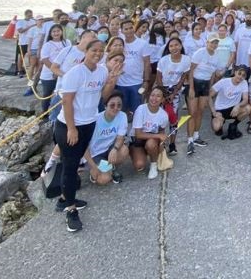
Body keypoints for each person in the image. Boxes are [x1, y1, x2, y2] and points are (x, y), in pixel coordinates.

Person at [55, 39, 121, 232]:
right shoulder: (75, 73)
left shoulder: (102, 71)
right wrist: (71, 128)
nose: (98, 53)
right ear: (86, 50)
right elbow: (67, 102)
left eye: (101, 51)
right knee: (70, 165)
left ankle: (63, 199)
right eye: (94, 50)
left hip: (88, 123)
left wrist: (112, 80)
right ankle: (71, 211)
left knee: (74, 161)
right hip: (69, 125)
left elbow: (103, 95)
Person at [186, 33, 221, 154]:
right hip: (195, 83)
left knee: (200, 111)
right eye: (212, 42)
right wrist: (191, 88)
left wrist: (210, 88)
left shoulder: (217, 56)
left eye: (216, 43)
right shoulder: (200, 53)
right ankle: (189, 140)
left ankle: (196, 136)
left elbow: (212, 74)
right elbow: (191, 70)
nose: (214, 45)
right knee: (192, 113)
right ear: (207, 42)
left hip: (205, 85)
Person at [155, 36, 191, 156]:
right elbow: (158, 77)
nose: (174, 47)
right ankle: (161, 143)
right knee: (161, 117)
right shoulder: (164, 60)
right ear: (168, 48)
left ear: (181, 46)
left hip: (175, 90)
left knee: (173, 118)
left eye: (176, 45)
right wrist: (164, 95)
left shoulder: (186, 60)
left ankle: (172, 144)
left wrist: (174, 93)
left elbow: (182, 78)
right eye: (171, 46)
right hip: (162, 90)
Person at [85, 89, 127, 185]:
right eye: (112, 105)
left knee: (124, 150)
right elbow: (84, 147)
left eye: (119, 105)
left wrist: (115, 149)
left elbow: (120, 137)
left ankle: (110, 167)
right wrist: (93, 166)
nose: (116, 108)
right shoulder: (95, 120)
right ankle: (99, 171)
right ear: (105, 106)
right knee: (104, 179)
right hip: (95, 155)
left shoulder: (122, 116)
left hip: (108, 150)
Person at [130, 87, 169, 180]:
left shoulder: (163, 115)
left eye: (158, 96)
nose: (154, 98)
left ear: (163, 100)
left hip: (152, 141)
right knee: (139, 165)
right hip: (138, 140)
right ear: (149, 96)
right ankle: (134, 152)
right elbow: (138, 134)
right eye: (152, 95)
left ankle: (153, 165)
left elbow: (161, 131)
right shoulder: (141, 109)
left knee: (151, 144)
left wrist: (162, 144)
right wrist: (159, 135)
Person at [209, 65, 251, 140]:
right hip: (220, 109)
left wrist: (238, 105)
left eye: (243, 75)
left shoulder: (244, 83)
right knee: (216, 127)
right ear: (235, 72)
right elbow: (209, 96)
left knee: (248, 108)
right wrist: (213, 112)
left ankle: (233, 125)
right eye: (239, 73)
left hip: (233, 109)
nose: (240, 76)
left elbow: (245, 99)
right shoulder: (223, 81)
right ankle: (220, 124)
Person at [118, 19, 149, 117]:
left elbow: (147, 63)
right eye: (126, 29)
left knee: (137, 111)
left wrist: (146, 81)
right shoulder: (119, 43)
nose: (129, 31)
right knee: (120, 112)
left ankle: (136, 132)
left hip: (136, 83)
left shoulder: (142, 43)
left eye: (131, 28)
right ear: (122, 31)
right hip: (120, 83)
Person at [38, 24, 71, 112]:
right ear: (50, 33)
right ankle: (44, 113)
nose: (56, 33)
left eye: (58, 31)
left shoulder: (67, 42)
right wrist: (54, 70)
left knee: (61, 94)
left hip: (63, 74)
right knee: (47, 94)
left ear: (61, 32)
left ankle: (59, 112)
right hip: (49, 74)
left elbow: (69, 56)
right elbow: (45, 59)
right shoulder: (47, 45)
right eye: (54, 31)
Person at [14, 9, 35, 76]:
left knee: (31, 56)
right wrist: (29, 27)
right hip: (23, 42)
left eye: (31, 15)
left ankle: (30, 70)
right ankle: (20, 70)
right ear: (25, 15)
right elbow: (20, 31)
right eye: (29, 15)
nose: (30, 16)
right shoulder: (20, 22)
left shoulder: (33, 21)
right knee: (21, 57)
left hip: (31, 42)